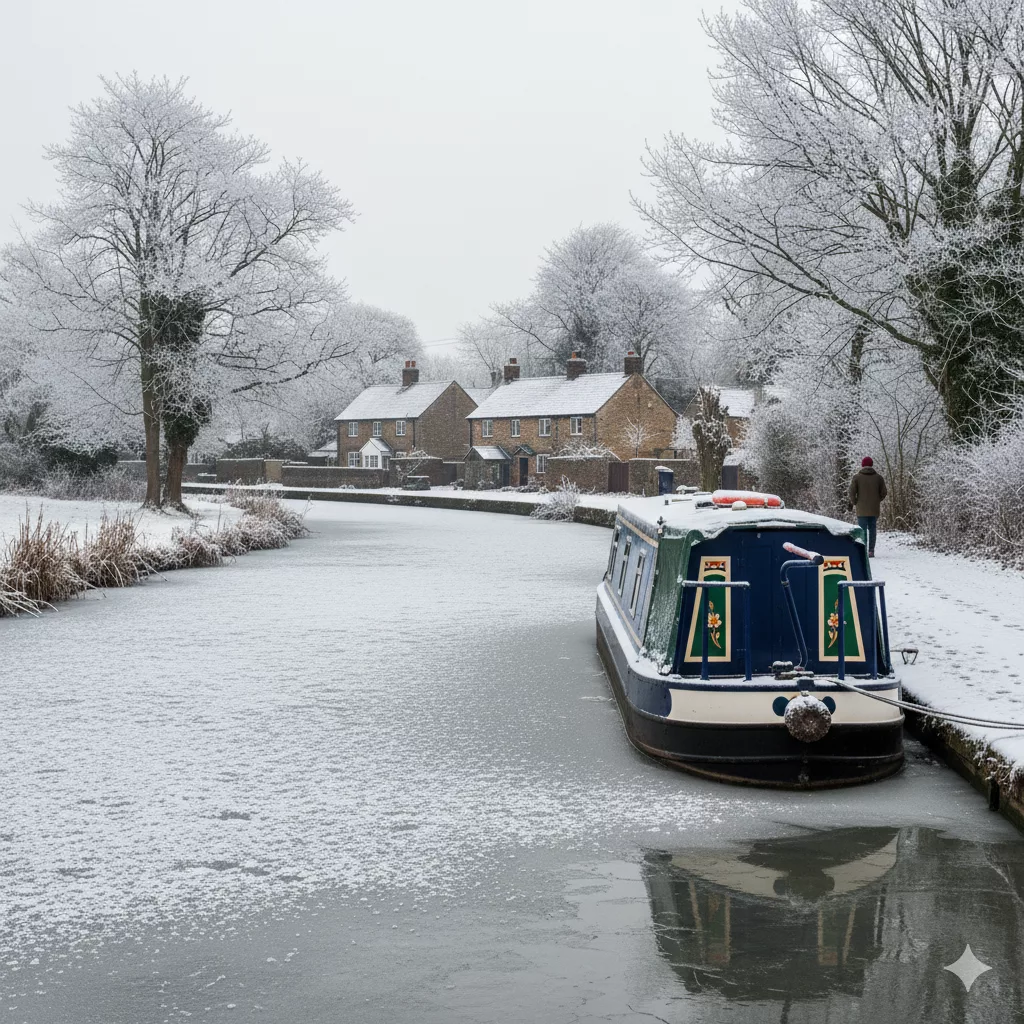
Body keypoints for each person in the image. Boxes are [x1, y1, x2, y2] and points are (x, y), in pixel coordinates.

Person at [849, 457, 887, 557]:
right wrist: (877, 500)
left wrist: (855, 502)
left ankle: (863, 550)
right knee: (872, 530)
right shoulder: (879, 478)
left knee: (862, 530)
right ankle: (871, 551)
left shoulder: (856, 477)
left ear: (862, 465)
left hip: (861, 509)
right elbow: (884, 492)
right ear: (871, 465)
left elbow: (852, 492)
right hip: (874, 509)